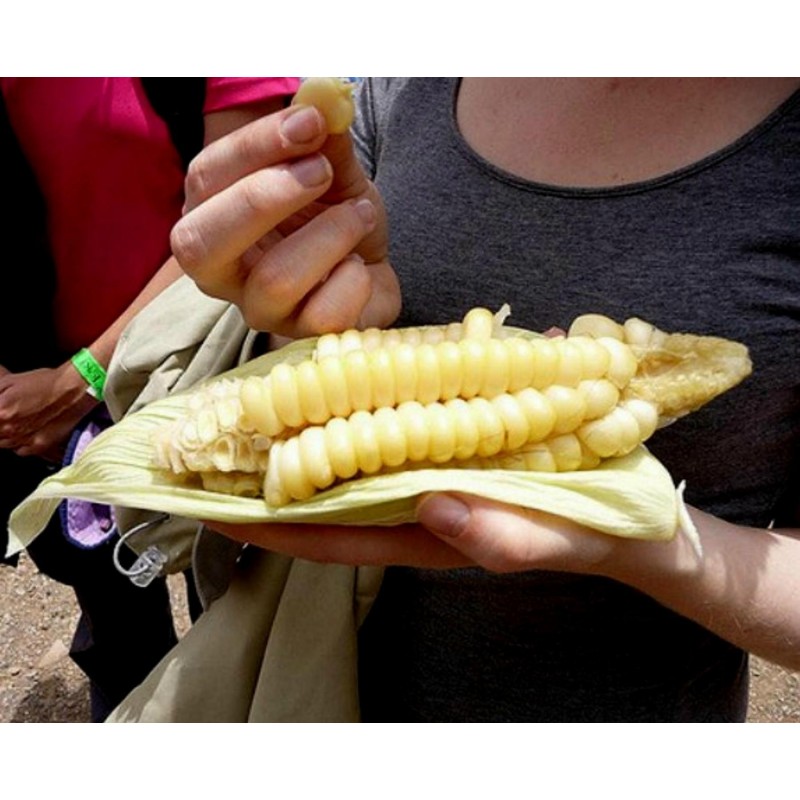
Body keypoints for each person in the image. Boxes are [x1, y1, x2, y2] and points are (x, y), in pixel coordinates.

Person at [167, 78, 800, 722]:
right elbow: (315, 367)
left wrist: (646, 546)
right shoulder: (400, 84)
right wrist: (308, 313)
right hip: (331, 689)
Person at [0, 77, 299, 720]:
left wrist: (80, 380)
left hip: (201, 377)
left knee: (233, 601)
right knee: (116, 619)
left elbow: (241, 222)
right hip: (45, 416)